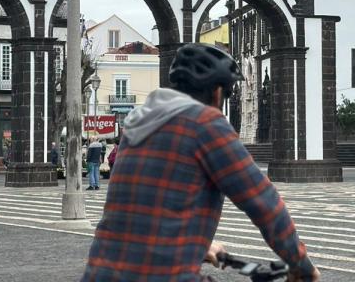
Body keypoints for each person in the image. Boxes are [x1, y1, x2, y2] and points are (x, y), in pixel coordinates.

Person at [82, 43, 320, 281]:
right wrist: (301, 265)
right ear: (217, 92)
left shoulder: (138, 124)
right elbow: (263, 202)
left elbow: (142, 209)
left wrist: (199, 246)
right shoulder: (205, 123)